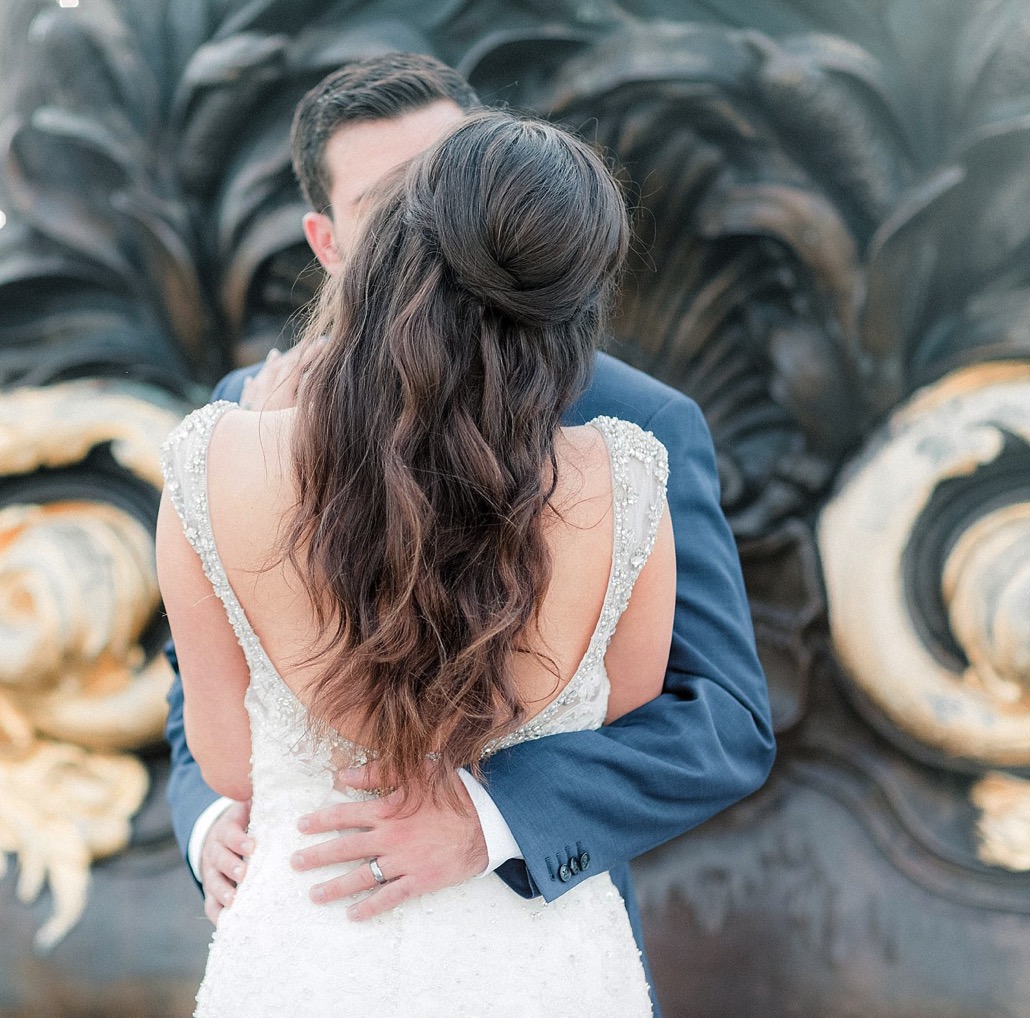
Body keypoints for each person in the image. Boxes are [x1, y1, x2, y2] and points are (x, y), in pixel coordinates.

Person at [163, 54, 774, 1012]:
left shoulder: (638, 429)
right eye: (396, 201)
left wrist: (491, 816)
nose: (441, 224)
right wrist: (209, 826)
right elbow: (195, 682)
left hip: (527, 917)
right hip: (304, 920)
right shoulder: (238, 419)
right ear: (326, 240)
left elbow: (723, 718)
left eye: (449, 178)